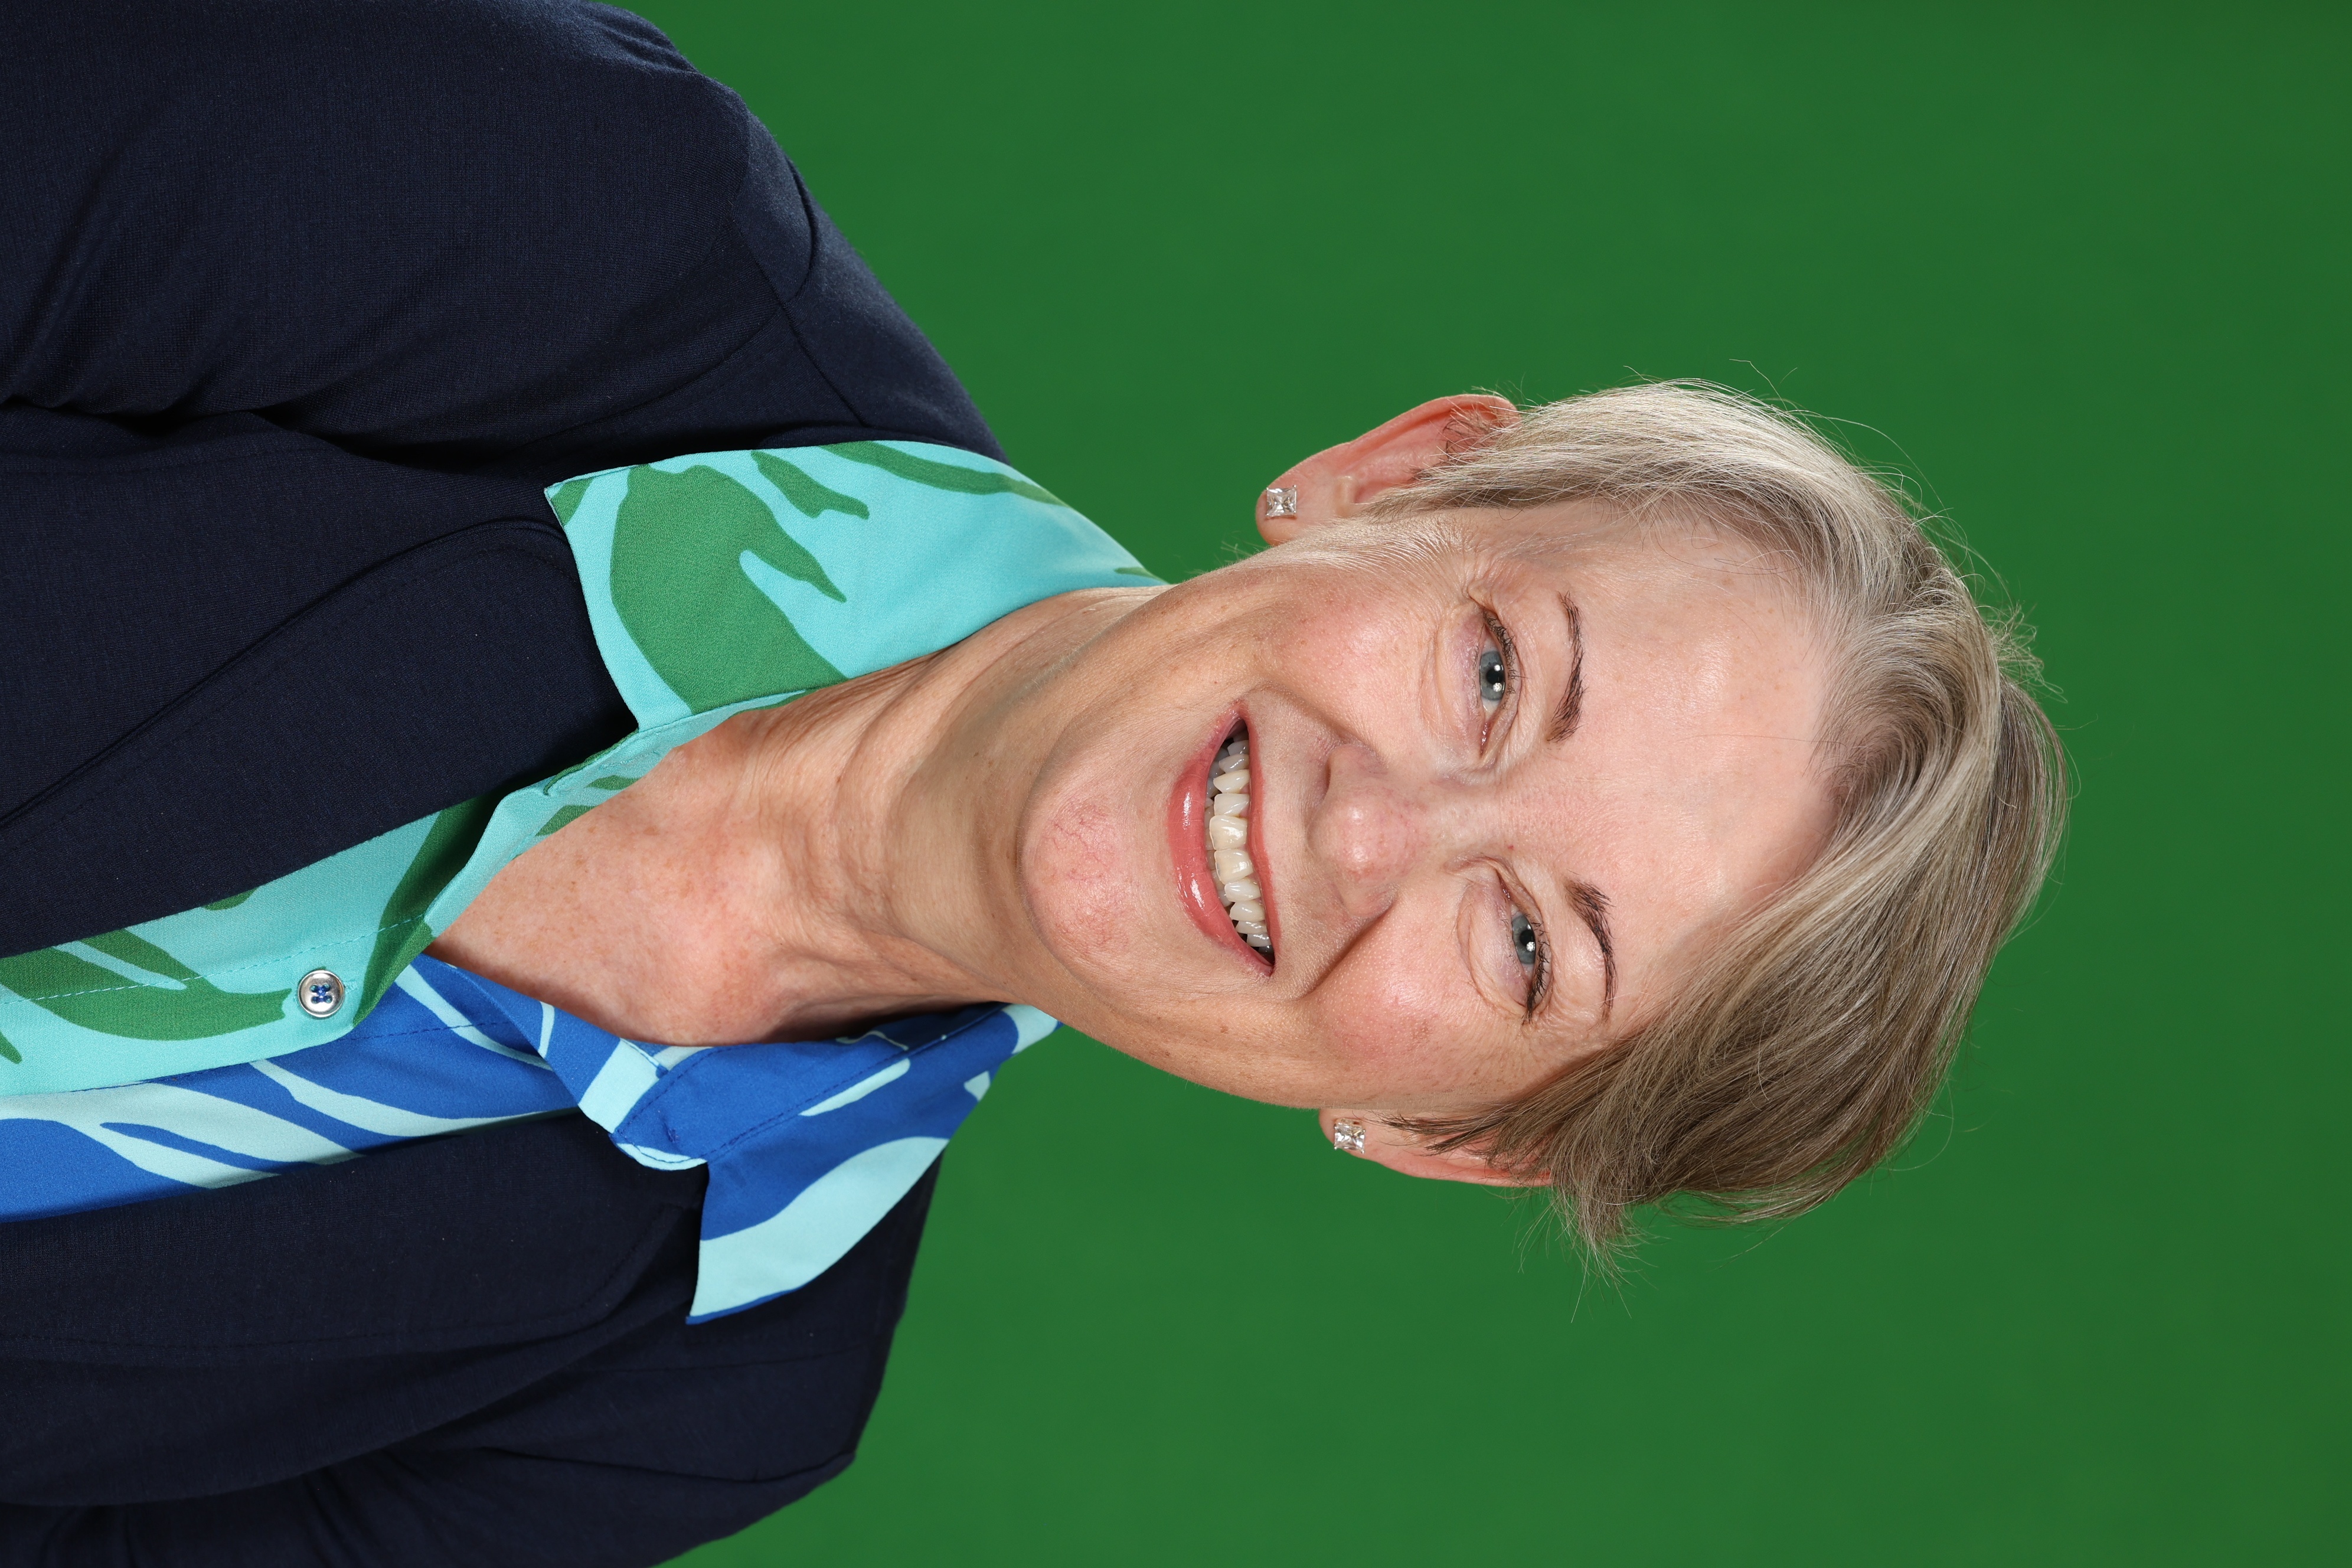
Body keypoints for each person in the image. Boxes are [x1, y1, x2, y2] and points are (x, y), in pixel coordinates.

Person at [0, 2, 2065, 1564]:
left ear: (1458, 1137)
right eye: (1501, 672)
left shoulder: (701, 1401)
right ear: (1394, 481)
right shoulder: (578, 207)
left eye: (1530, 945)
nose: (1371, 828)